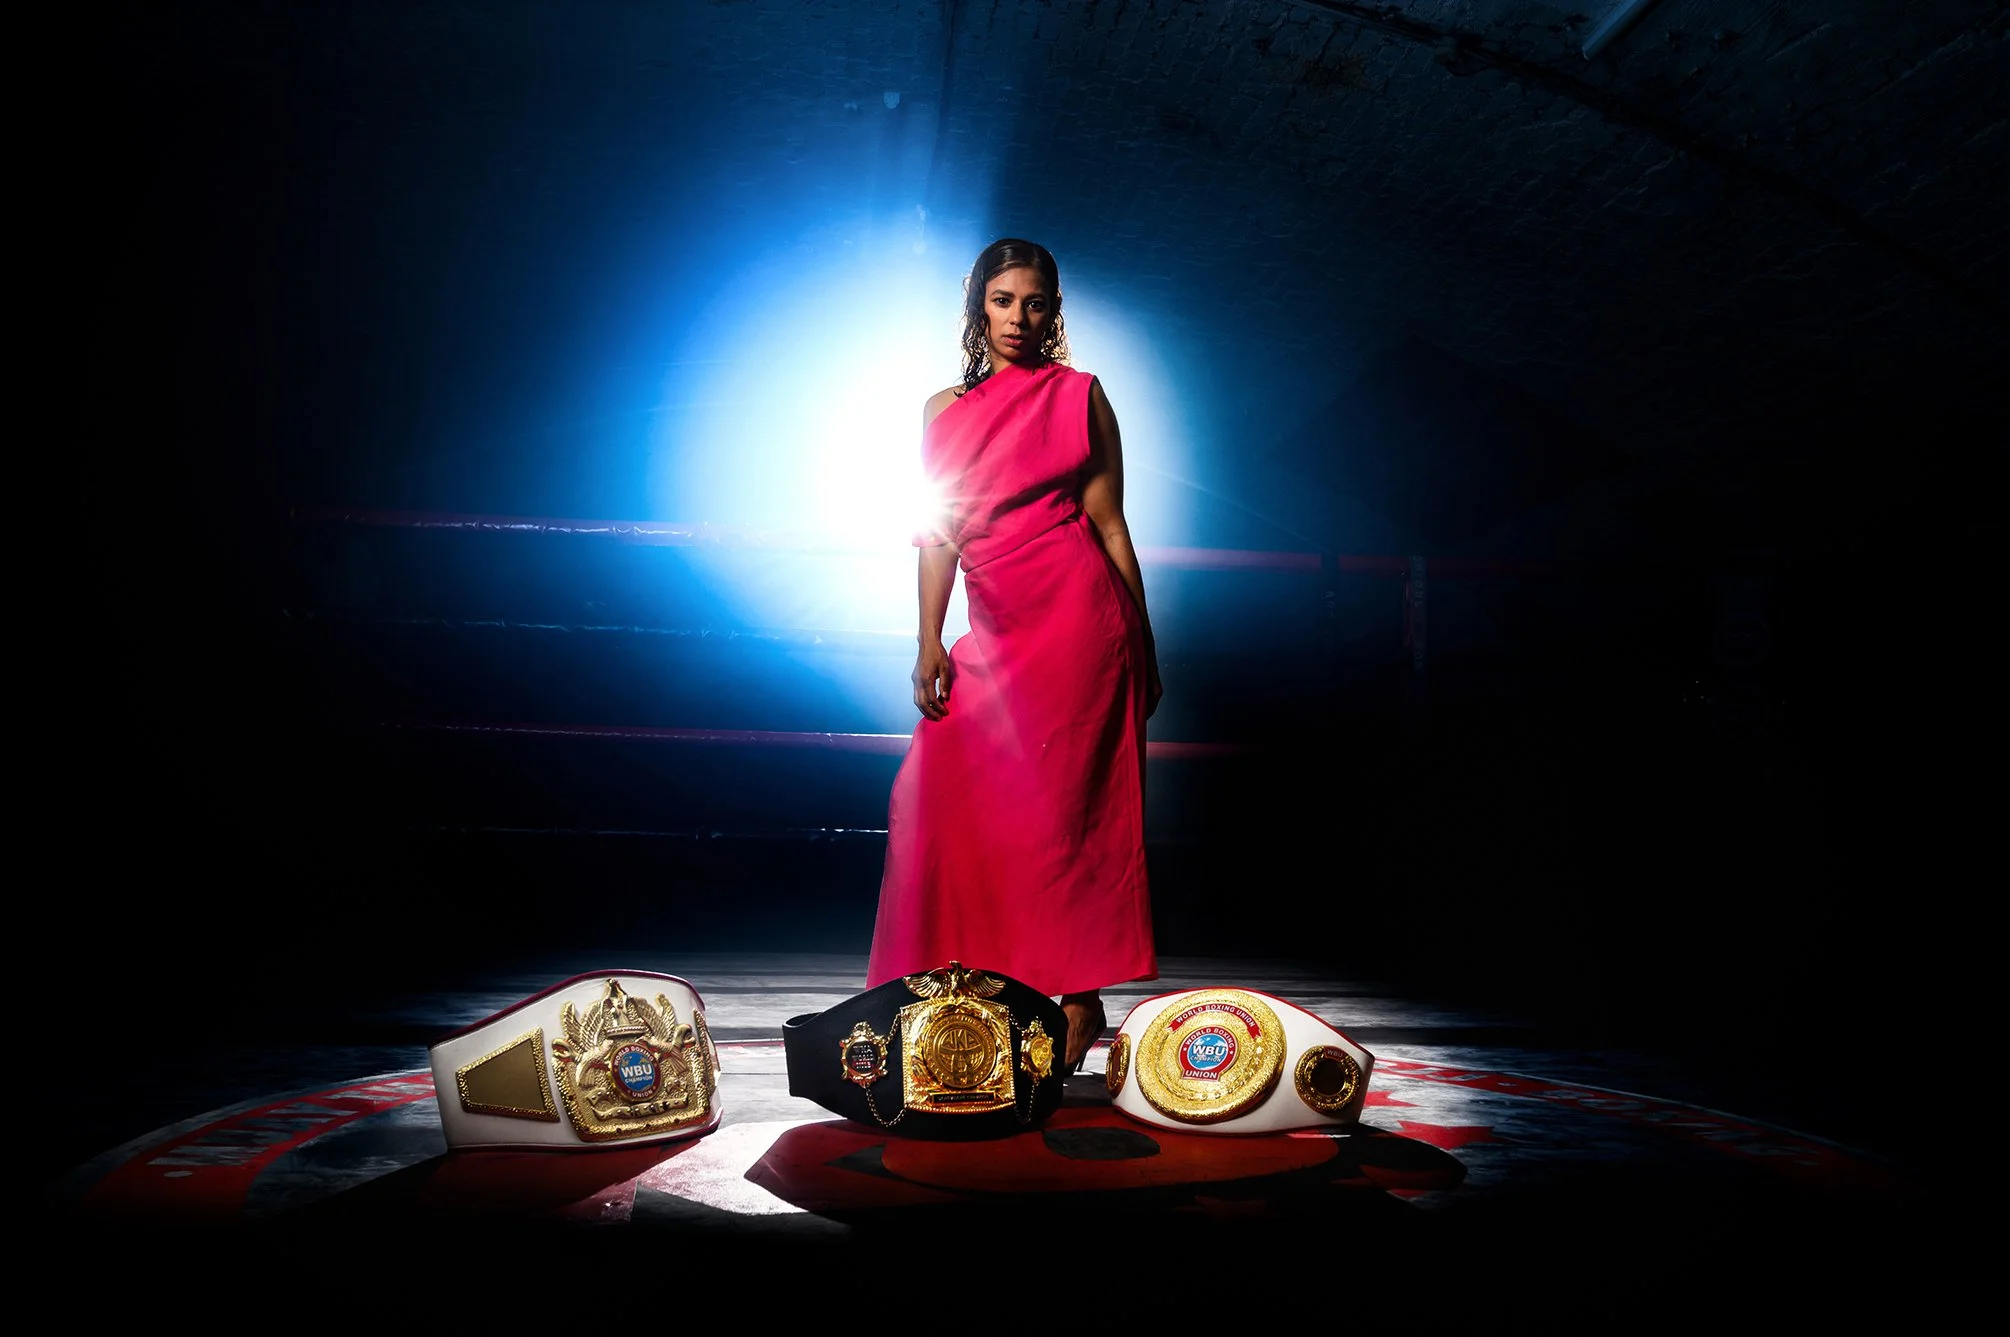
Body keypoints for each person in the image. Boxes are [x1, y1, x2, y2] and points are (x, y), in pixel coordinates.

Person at [865, 238, 1162, 1074]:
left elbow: (1110, 527)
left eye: (1035, 303)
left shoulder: (1081, 397)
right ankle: (968, 984)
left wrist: (1143, 641)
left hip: (1080, 621)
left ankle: (1077, 997)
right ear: (978, 308)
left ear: (1054, 310)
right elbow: (939, 531)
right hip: (994, 627)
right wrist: (929, 636)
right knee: (941, 782)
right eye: (1003, 301)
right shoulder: (941, 409)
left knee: (1068, 809)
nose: (1019, 319)